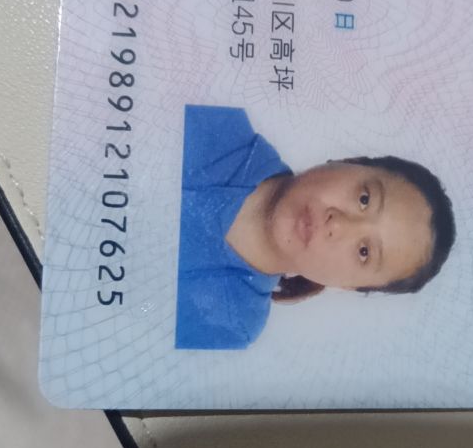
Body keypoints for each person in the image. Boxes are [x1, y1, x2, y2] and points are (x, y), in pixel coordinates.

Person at [175, 105, 456, 350]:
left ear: (347, 287)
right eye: (364, 199)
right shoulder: (216, 120)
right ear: (348, 163)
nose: (339, 224)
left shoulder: (233, 323)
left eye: (364, 252)